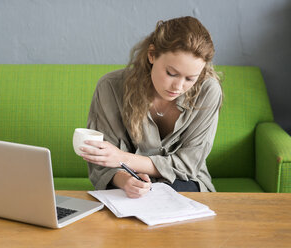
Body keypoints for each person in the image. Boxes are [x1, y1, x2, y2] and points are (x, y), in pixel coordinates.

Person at [79, 16, 222, 198]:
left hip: (184, 182)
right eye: (171, 73)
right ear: (151, 54)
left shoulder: (208, 90)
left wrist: (123, 158)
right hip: (125, 184)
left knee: (169, 198)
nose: (178, 87)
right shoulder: (110, 87)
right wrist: (125, 181)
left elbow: (187, 165)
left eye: (190, 79)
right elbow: (102, 163)